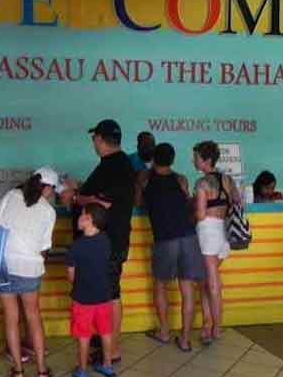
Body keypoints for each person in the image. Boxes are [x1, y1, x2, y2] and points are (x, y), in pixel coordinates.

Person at [75, 119, 134, 362]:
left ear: (100, 139)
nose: (93, 143)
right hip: (105, 242)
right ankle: (105, 344)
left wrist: (77, 198)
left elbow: (104, 202)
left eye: (94, 138)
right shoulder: (113, 164)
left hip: (110, 243)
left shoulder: (117, 165)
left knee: (111, 294)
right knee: (105, 293)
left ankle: (114, 349)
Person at [0, 167, 60, 377]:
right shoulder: (48, 211)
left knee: (11, 318)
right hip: (29, 268)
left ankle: (19, 371)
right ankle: (41, 370)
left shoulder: (10, 196)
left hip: (3, 264)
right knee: (33, 316)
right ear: (48, 187)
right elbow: (44, 248)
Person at [137, 143, 205, 351]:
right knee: (187, 289)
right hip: (188, 237)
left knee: (160, 285)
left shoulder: (144, 178)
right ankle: (185, 340)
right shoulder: (181, 179)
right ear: (173, 160)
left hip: (165, 239)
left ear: (153, 159)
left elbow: (138, 203)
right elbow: (186, 203)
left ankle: (165, 332)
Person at [193, 140, 241, 345]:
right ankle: (206, 324)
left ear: (206, 160)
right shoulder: (228, 180)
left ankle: (217, 328)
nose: (193, 160)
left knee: (212, 284)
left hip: (208, 232)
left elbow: (201, 215)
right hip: (225, 233)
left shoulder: (202, 184)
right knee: (204, 282)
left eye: (195, 157)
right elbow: (238, 202)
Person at [67, 203, 115, 377]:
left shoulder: (76, 246)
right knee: (105, 331)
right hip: (104, 296)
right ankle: (107, 365)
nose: (79, 217)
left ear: (89, 220)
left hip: (82, 298)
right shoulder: (106, 240)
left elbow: (71, 276)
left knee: (83, 334)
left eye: (82, 214)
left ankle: (82, 370)